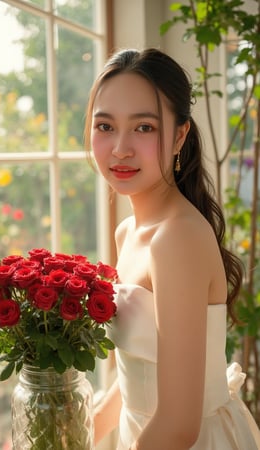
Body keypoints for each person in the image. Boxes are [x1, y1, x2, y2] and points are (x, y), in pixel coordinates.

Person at [84, 48, 260, 450]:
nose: (121, 148)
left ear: (180, 135)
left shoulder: (176, 239)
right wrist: (73, 433)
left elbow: (180, 426)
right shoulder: (128, 231)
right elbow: (135, 382)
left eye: (144, 128)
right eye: (105, 126)